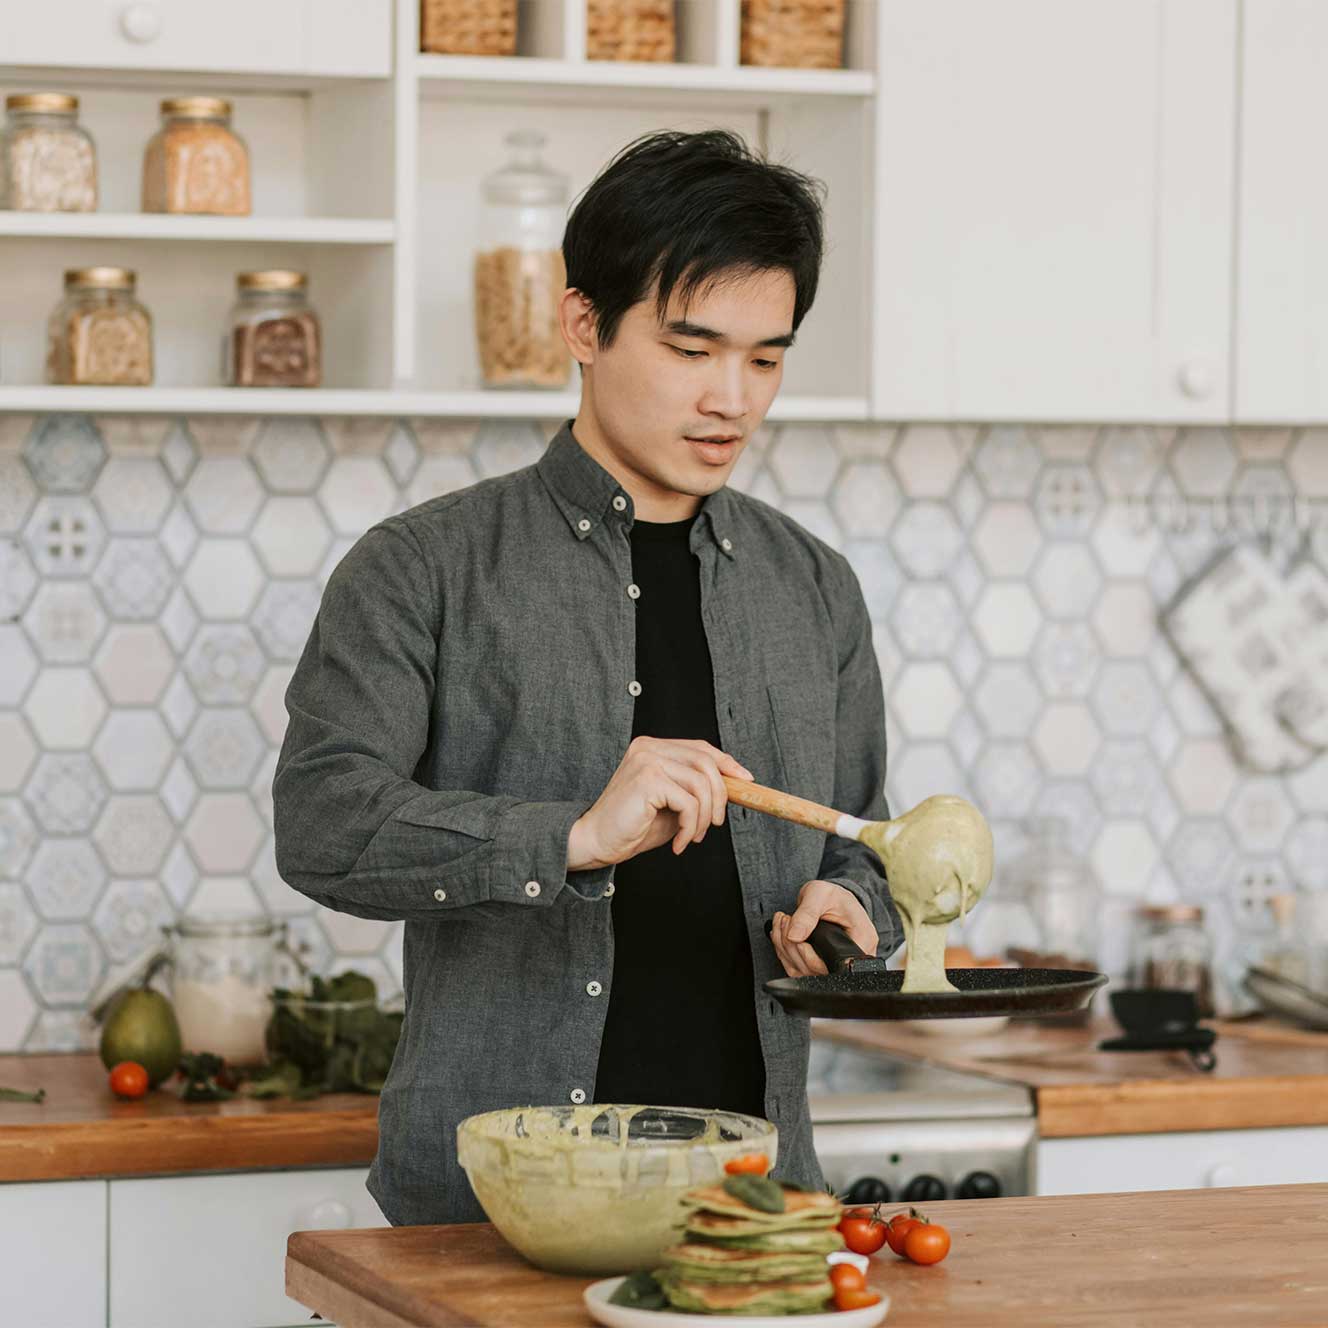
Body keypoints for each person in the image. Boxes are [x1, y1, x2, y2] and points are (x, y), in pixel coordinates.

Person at [273, 128, 902, 1226]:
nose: (732, 399)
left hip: (754, 1213)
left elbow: (861, 835)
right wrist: (572, 837)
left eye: (764, 357)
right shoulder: (422, 566)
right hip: (489, 1215)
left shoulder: (815, 587)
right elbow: (322, 822)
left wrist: (850, 901)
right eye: (690, 347)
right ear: (582, 325)